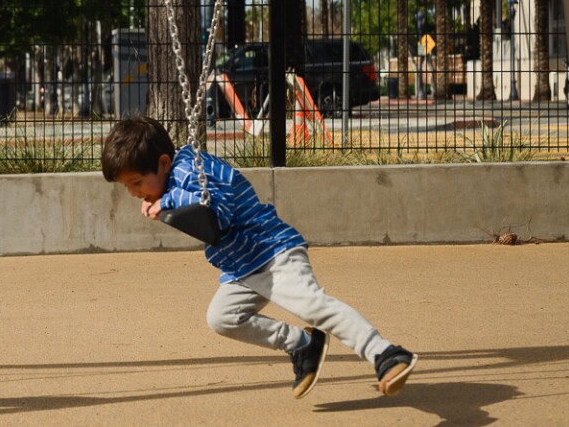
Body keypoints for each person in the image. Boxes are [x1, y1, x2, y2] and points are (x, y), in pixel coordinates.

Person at [100, 115, 416, 400]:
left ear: (164, 163)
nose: (134, 193)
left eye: (137, 184)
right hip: (242, 264)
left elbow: (216, 212)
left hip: (271, 250)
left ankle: (386, 354)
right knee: (223, 318)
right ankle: (303, 346)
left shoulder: (188, 168)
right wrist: (162, 201)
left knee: (312, 305)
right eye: (128, 187)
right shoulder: (176, 176)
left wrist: (164, 201)